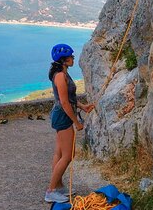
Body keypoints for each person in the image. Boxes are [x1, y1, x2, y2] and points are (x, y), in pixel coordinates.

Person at [44, 44, 95, 204]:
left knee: (59, 153)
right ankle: (51, 191)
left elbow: (70, 99)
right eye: (71, 56)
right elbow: (64, 102)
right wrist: (76, 122)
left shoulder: (64, 74)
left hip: (61, 114)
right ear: (64, 60)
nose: (73, 58)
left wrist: (83, 106)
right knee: (68, 155)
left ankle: (58, 186)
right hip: (63, 116)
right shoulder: (60, 76)